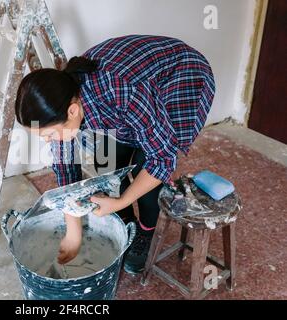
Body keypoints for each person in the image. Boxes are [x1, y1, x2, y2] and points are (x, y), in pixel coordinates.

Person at [14, 35, 215, 274]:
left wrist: (122, 200)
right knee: (106, 165)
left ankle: (146, 233)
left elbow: (162, 159)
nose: (47, 142)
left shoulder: (120, 90)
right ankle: (125, 223)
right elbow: (67, 169)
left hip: (182, 78)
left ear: (73, 110)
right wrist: (74, 233)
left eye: (49, 135)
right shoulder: (63, 98)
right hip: (134, 96)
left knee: (147, 170)